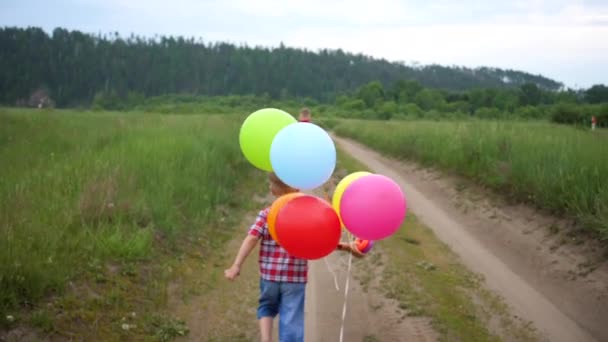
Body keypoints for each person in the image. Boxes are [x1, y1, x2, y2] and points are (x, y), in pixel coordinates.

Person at [224, 172, 363, 342]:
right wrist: (347, 247)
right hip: (294, 279)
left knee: (266, 306)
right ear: (297, 188)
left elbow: (252, 237)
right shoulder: (305, 217)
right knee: (291, 319)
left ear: (273, 191)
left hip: (269, 276)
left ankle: (265, 339)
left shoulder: (266, 214)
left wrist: (237, 265)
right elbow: (320, 241)